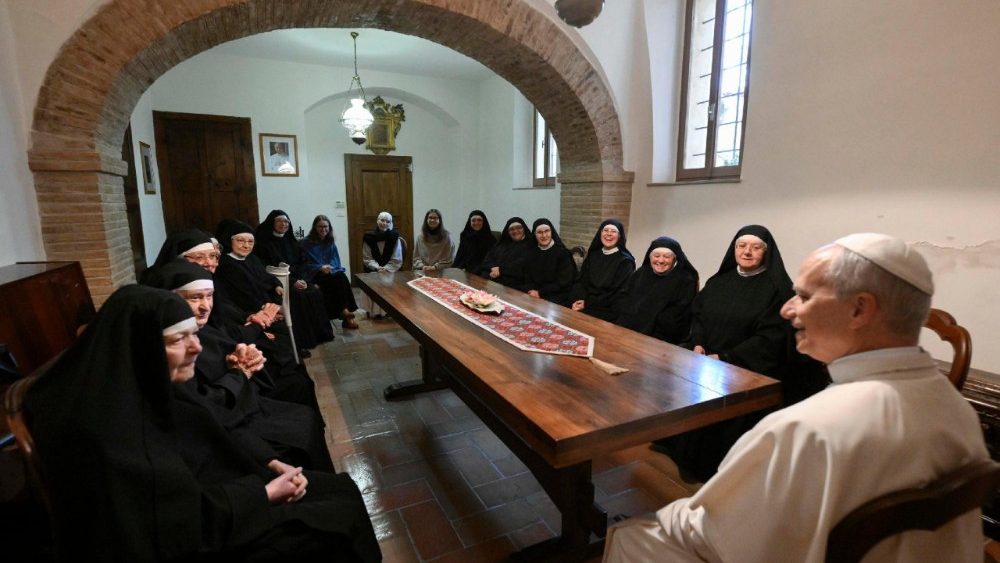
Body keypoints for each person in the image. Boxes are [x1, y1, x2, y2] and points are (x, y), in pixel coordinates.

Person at [603, 233, 989, 563]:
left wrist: (651, 519)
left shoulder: (806, 428)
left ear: (859, 309)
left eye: (803, 296)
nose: (788, 309)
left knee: (631, 535)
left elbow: (714, 535)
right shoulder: (954, 405)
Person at [24, 285, 381, 561]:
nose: (196, 347)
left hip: (222, 497)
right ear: (141, 347)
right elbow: (169, 526)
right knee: (336, 520)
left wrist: (269, 464)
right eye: (179, 339)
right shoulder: (107, 433)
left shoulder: (148, 385)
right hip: (204, 539)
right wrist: (265, 493)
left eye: (193, 334)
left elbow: (212, 434)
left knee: (342, 489)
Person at [146, 259, 332, 470]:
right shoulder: (166, 340)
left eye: (209, 296)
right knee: (299, 416)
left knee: (298, 390)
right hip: (224, 424)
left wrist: (243, 355)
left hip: (236, 401)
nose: (205, 306)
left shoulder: (198, 325)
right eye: (195, 297)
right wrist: (241, 369)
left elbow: (225, 336)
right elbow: (203, 409)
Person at [662, 225, 796, 482]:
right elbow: (698, 314)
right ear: (733, 249)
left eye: (755, 248)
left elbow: (770, 338)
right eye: (741, 246)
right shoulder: (719, 281)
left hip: (745, 366)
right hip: (706, 357)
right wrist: (698, 342)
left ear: (766, 253)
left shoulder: (776, 290)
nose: (747, 252)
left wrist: (725, 357)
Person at [253, 210, 336, 344]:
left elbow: (303, 263)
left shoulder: (292, 242)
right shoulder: (263, 244)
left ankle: (320, 335)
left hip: (298, 279)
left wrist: (302, 279)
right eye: (279, 221)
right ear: (272, 223)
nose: (283, 224)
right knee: (298, 297)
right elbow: (266, 269)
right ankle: (302, 341)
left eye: (286, 221)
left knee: (315, 292)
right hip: (277, 284)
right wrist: (292, 282)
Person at [613, 237, 699, 344]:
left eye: (667, 257)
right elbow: (625, 299)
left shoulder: (686, 280)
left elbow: (676, 318)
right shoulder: (642, 272)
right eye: (656, 256)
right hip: (628, 332)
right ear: (650, 257)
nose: (661, 261)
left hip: (660, 340)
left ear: (675, 259)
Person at [300, 214, 359, 329]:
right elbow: (303, 264)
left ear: (329, 227)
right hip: (314, 275)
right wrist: (319, 268)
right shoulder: (305, 243)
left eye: (326, 226)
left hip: (330, 273)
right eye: (320, 227)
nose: (323, 229)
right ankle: (346, 314)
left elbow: (336, 261)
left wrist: (331, 268)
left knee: (340, 276)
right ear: (315, 228)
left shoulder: (330, 242)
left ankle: (345, 312)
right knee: (337, 280)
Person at [571, 219, 636, 321]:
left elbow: (617, 294)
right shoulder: (593, 255)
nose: (609, 234)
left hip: (608, 311)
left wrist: (587, 303)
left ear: (619, 236)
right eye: (605, 230)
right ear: (600, 233)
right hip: (585, 303)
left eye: (613, 231)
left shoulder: (625, 262)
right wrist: (580, 299)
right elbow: (581, 281)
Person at [520, 218, 576, 305]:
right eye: (540, 232)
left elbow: (563, 282)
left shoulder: (563, 253)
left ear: (551, 232)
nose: (544, 235)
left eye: (547, 231)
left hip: (557, 296)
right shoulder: (531, 253)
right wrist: (530, 290)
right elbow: (526, 276)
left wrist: (540, 293)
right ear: (535, 234)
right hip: (534, 295)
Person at [361, 211, 403, 319]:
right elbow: (367, 258)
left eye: (387, 221)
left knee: (387, 280)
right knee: (372, 281)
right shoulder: (368, 237)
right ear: (377, 221)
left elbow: (397, 259)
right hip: (374, 269)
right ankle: (373, 311)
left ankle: (388, 311)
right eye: (382, 220)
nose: (384, 223)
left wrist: (386, 268)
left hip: (390, 269)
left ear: (390, 223)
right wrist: (377, 267)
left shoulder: (394, 237)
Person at [476, 216, 533, 289]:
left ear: (524, 229)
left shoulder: (530, 246)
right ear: (508, 232)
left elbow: (521, 268)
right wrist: (493, 267)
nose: (515, 231)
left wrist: (500, 270)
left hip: (513, 287)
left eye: (519, 228)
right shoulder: (502, 244)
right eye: (511, 229)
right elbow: (487, 259)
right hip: (492, 280)